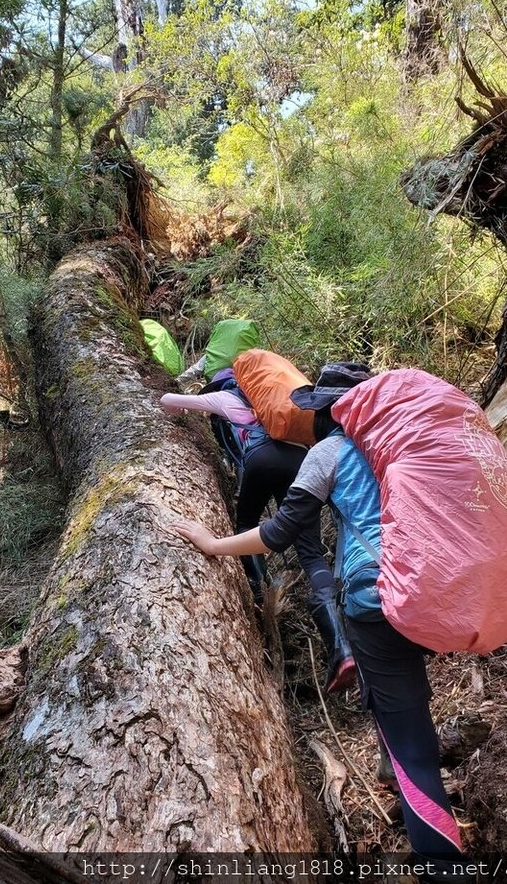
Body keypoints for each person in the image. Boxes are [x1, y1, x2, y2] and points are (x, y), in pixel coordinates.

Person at [171, 362, 467, 875]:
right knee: (399, 690)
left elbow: (280, 532)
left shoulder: (328, 453)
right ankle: (391, 770)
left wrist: (213, 544)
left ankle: (440, 860)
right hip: (428, 587)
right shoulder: (399, 443)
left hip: (374, 598)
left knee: (412, 738)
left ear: (326, 411)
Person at [161, 369, 356, 693]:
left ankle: (258, 589)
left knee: (246, 522)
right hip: (300, 461)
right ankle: (341, 647)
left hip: (261, 459)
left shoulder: (228, 397)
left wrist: (179, 407)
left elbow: (169, 399)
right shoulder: (280, 410)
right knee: (310, 552)